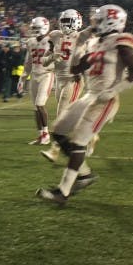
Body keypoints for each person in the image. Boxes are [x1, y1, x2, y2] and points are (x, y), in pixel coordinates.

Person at [37, 4, 133, 204]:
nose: (94, 23)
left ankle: (63, 192)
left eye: (98, 19)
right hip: (89, 95)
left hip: (106, 99)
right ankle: (85, 174)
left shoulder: (121, 41)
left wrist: (113, 90)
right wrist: (80, 44)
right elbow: (75, 69)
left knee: (78, 141)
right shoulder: (96, 43)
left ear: (110, 20)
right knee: (59, 132)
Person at [41, 9, 95, 163]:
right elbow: (44, 62)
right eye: (63, 21)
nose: (64, 25)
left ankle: (54, 150)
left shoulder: (80, 36)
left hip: (74, 79)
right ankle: (92, 136)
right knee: (71, 116)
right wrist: (53, 56)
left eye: (68, 22)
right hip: (59, 79)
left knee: (61, 114)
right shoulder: (55, 36)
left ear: (76, 22)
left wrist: (97, 18)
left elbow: (93, 29)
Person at [23, 16, 58, 145]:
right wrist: (22, 78)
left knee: (40, 104)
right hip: (34, 75)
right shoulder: (30, 42)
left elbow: (57, 59)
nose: (35, 31)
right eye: (34, 28)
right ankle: (41, 135)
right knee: (35, 108)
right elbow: (28, 61)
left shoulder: (51, 41)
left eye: (37, 28)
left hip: (46, 75)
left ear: (44, 27)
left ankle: (46, 134)